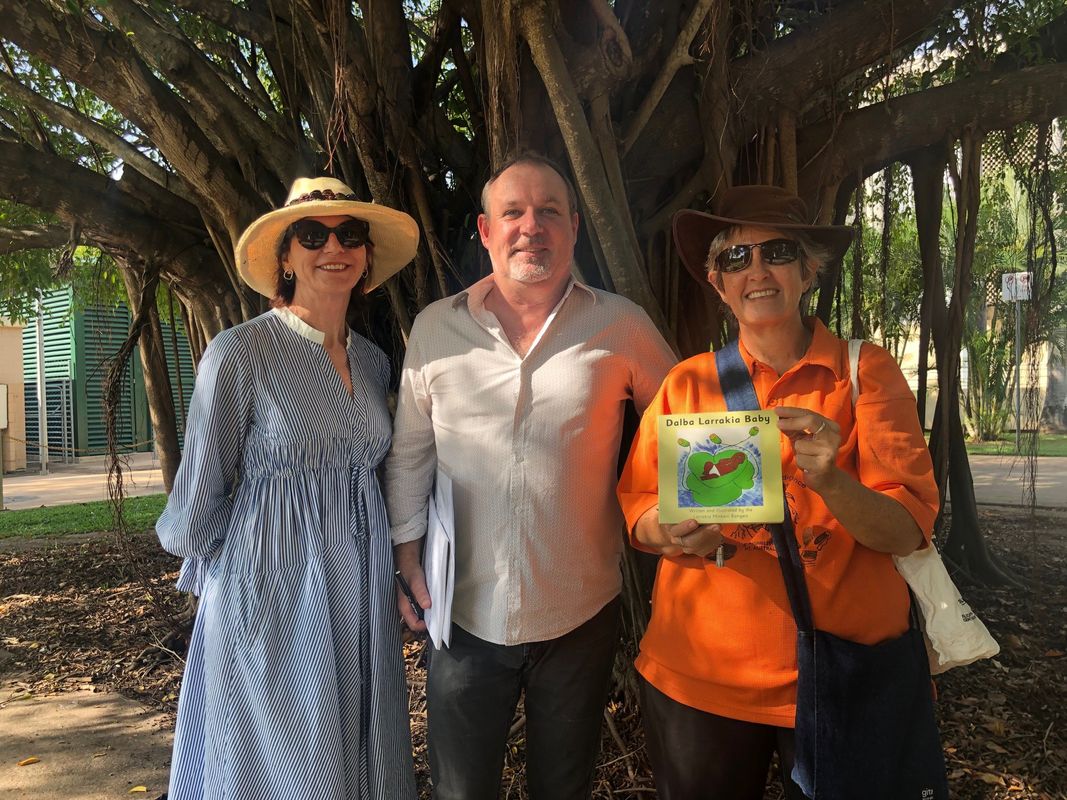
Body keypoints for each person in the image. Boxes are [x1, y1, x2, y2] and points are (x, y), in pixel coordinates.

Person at [617, 185, 941, 799]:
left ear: (809, 269)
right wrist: (673, 530)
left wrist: (831, 480)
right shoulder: (687, 385)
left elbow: (907, 528)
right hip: (701, 679)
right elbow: (636, 512)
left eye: (778, 251)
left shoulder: (863, 373)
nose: (757, 271)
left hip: (839, 674)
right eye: (735, 259)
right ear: (716, 281)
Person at [383, 153, 676, 800]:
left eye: (548, 211)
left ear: (574, 226)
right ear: (485, 232)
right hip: (461, 612)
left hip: (580, 613)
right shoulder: (437, 329)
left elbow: (684, 421)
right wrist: (406, 553)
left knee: (563, 788)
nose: (530, 226)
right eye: (512, 212)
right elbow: (409, 454)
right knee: (462, 790)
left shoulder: (619, 324)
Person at [156, 176, 420, 800]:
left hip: (358, 597)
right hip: (270, 597)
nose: (335, 246)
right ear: (285, 255)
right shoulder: (238, 354)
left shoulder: (373, 359)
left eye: (350, 233)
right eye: (313, 233)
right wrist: (221, 574)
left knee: (356, 758)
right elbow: (197, 500)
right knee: (281, 769)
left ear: (367, 254)